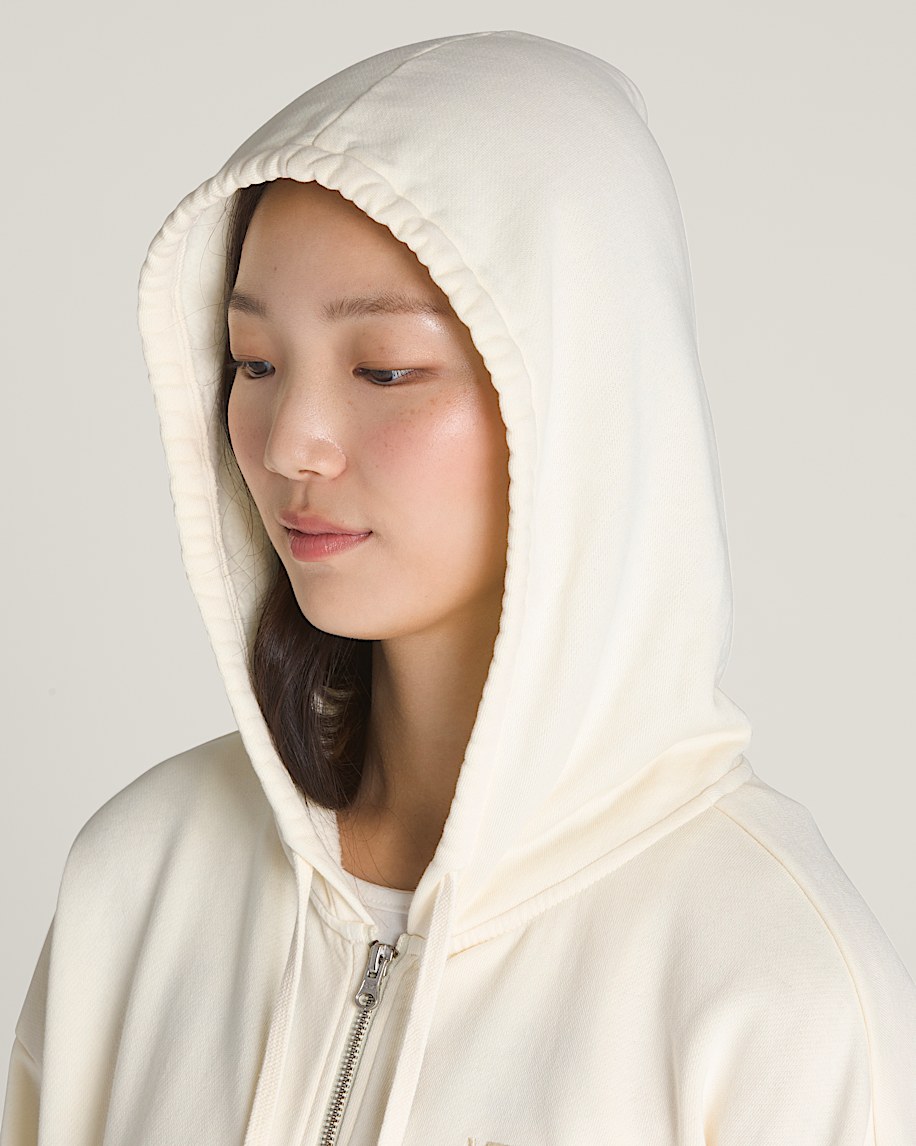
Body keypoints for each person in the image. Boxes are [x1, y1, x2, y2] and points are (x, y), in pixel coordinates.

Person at [2, 28, 914, 1146]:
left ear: (575, 395)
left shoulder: (776, 993)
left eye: (384, 368)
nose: (291, 441)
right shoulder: (136, 878)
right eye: (254, 363)